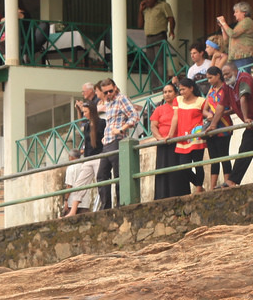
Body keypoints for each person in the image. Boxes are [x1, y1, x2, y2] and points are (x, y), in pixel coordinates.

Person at [94, 80, 140, 208]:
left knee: (119, 174)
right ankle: (106, 206)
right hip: (107, 142)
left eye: (111, 91)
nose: (109, 94)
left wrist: (122, 129)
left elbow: (134, 116)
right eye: (106, 92)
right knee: (102, 175)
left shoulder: (121, 99)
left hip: (117, 140)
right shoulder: (108, 103)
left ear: (115, 88)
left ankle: (121, 204)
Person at [163, 75, 208, 199]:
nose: (181, 92)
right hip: (182, 137)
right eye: (180, 90)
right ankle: (198, 185)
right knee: (183, 167)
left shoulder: (201, 101)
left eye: (184, 89)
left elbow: (206, 115)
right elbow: (175, 117)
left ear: (191, 88)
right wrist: (171, 134)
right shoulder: (178, 100)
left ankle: (199, 187)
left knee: (198, 164)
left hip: (196, 136)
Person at [65, 96, 105, 215]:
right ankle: (73, 211)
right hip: (88, 158)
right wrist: (79, 109)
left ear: (92, 112)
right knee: (79, 184)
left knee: (101, 183)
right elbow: (81, 124)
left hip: (99, 156)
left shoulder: (102, 123)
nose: (84, 114)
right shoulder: (87, 126)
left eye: (86, 112)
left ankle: (103, 206)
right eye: (83, 112)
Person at [201, 64, 239, 188]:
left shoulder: (226, 88)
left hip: (224, 126)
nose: (209, 81)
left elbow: (233, 108)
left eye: (211, 77)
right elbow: (205, 110)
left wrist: (220, 113)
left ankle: (226, 182)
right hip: (211, 127)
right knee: (213, 158)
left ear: (218, 76)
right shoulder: (211, 91)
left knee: (224, 155)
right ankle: (212, 186)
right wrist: (209, 115)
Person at [149, 83, 179, 200]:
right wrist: (160, 138)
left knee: (176, 168)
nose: (167, 94)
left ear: (175, 93)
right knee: (162, 168)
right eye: (165, 92)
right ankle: (161, 196)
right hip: (162, 143)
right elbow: (153, 126)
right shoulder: (159, 109)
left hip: (177, 141)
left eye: (170, 91)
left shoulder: (179, 107)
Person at [217, 3, 253, 72]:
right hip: (235, 57)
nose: (234, 14)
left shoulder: (247, 21)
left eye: (236, 12)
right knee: (235, 80)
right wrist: (222, 27)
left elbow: (233, 34)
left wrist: (224, 23)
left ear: (244, 12)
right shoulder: (239, 24)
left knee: (242, 78)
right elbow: (226, 40)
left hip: (243, 57)